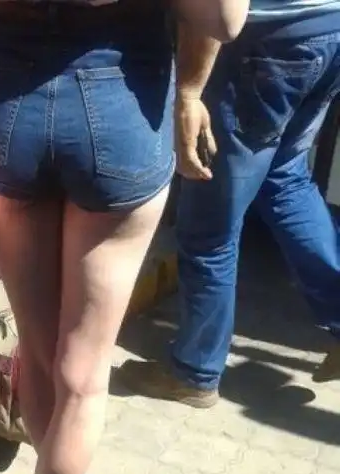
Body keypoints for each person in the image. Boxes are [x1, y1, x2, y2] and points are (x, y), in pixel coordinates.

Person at [0, 0, 249, 474]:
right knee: (83, 376)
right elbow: (225, 19)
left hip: (4, 101)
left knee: (38, 350)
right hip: (121, 107)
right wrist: (190, 91)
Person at [125, 0, 340, 409]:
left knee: (210, 226)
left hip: (265, 42)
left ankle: (194, 371)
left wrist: (189, 93)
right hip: (329, 27)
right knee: (285, 176)